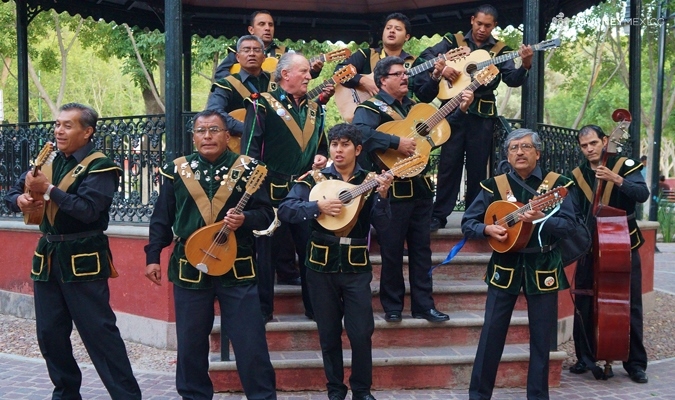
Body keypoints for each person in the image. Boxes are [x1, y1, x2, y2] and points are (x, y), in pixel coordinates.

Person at [4, 103, 142, 399]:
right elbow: (12, 192)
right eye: (57, 124)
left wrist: (50, 190)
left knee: (100, 336)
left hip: (84, 258)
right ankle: (66, 394)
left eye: (68, 125)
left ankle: (127, 396)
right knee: (50, 336)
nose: (59, 130)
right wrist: (20, 202)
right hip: (48, 258)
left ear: (87, 132)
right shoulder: (48, 160)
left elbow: (89, 211)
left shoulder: (101, 166)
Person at [144, 110, 277, 399]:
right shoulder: (177, 170)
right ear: (193, 137)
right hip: (189, 267)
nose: (207, 136)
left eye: (214, 130)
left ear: (227, 136)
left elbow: (267, 215)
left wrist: (246, 220)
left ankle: (262, 396)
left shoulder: (249, 169)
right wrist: (153, 255)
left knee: (250, 341)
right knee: (190, 344)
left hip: (237, 267)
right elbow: (161, 219)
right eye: (201, 130)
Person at [353, 56, 473, 323]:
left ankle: (423, 305)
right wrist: (396, 142)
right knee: (392, 251)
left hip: (419, 188)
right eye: (398, 74)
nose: (405, 77)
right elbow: (358, 133)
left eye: (405, 73)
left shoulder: (415, 108)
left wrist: (461, 110)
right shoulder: (370, 108)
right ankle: (392, 306)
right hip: (390, 190)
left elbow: (435, 136)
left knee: (422, 251)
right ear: (383, 80)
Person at [278, 124, 392, 400]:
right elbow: (285, 209)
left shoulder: (370, 180)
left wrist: (383, 195)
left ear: (358, 149)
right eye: (334, 145)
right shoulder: (315, 179)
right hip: (319, 266)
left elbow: (384, 224)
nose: (338, 150)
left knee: (361, 332)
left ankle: (362, 391)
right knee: (328, 333)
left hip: (355, 267)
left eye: (345, 145)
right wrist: (316, 207)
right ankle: (335, 390)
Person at [461, 128, 576, 400]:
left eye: (525, 147)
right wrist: (487, 231)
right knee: (491, 333)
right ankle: (478, 395)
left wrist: (541, 218)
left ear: (538, 152)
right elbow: (469, 222)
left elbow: (571, 227)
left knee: (541, 339)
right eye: (513, 148)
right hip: (505, 263)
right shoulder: (494, 185)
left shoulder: (558, 185)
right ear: (507, 155)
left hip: (543, 263)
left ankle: (538, 396)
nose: (519, 152)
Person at [415, 4, 534, 231]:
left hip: (482, 115)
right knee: (449, 164)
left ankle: (474, 216)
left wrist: (526, 64)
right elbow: (426, 57)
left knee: (478, 167)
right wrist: (446, 66)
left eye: (487, 26)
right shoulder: (454, 41)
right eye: (479, 24)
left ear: (494, 26)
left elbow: (512, 78)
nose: (482, 29)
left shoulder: (500, 50)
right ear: (472, 20)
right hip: (452, 111)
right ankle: (438, 215)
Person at [241, 52, 331, 322]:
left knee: (308, 251)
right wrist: (256, 194)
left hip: (304, 190)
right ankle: (263, 311)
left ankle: (314, 309)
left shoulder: (317, 109)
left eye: (308, 72)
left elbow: (322, 146)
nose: (308, 76)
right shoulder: (261, 105)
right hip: (269, 189)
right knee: (265, 256)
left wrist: (322, 156)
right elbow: (249, 153)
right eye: (303, 71)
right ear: (284, 75)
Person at [569, 124, 649, 384]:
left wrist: (617, 179)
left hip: (622, 244)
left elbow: (642, 194)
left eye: (593, 143)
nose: (589, 149)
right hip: (588, 246)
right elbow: (573, 211)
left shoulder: (625, 165)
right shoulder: (577, 174)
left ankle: (635, 362)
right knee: (584, 301)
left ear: (605, 140)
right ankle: (586, 356)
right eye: (584, 146)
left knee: (630, 303)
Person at [214, 10, 323, 80]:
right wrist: (241, 83)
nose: (267, 28)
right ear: (251, 30)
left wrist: (313, 71)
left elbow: (298, 75)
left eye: (270, 25)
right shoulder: (237, 51)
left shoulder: (286, 53)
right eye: (262, 24)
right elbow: (219, 74)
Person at [335, 13, 417, 98]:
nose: (392, 31)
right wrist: (363, 81)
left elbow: (424, 95)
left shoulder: (413, 61)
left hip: (401, 110)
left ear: (407, 37)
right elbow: (339, 71)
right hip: (366, 109)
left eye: (398, 29)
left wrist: (432, 78)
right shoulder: (366, 54)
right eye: (388, 28)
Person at [206, 35, 272, 136]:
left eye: (256, 50)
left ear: (264, 57)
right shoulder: (226, 84)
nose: (251, 54)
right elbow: (214, 113)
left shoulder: (276, 82)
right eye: (246, 50)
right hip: (238, 144)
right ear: (237, 57)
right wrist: (247, 129)